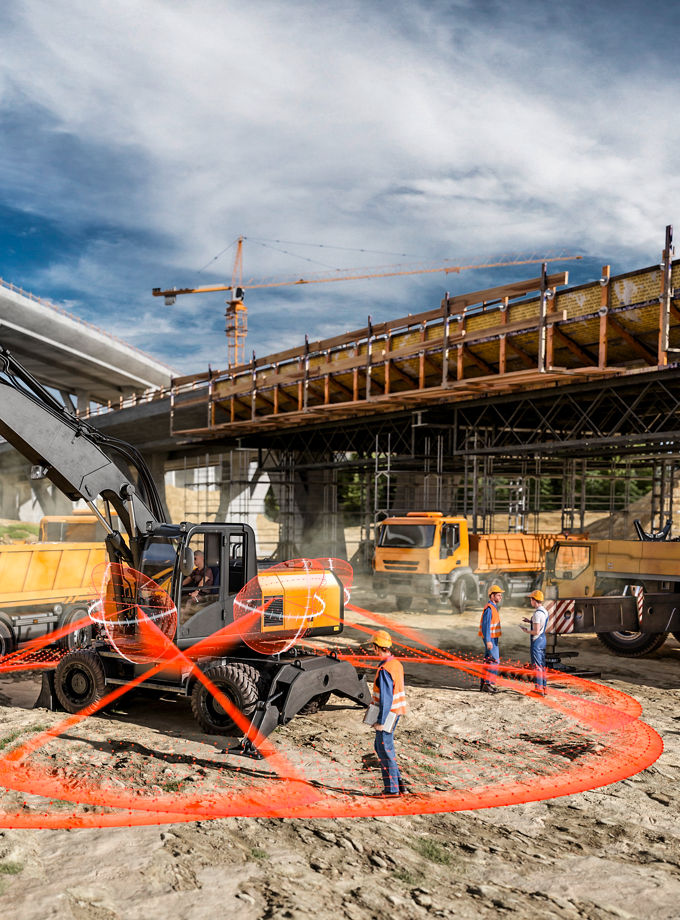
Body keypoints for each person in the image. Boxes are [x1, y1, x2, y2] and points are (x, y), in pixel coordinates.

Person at [370, 630, 407, 796]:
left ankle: (392, 790)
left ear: (378, 648)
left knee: (384, 750)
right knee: (381, 747)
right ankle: (399, 784)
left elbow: (386, 698)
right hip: (395, 712)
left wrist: (381, 721)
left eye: (373, 647)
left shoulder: (385, 669)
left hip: (388, 715)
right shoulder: (396, 664)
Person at [522, 589, 549, 695]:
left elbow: (536, 631)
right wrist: (530, 621)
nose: (530, 601)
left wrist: (526, 631)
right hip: (543, 640)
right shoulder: (544, 611)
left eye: (531, 599)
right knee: (542, 665)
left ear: (534, 600)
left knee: (537, 666)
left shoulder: (537, 614)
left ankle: (538, 689)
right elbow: (541, 625)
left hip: (537, 641)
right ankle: (544, 687)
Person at [479, 584, 503, 693]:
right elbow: (486, 626)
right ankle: (488, 684)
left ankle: (484, 684)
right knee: (494, 661)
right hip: (491, 639)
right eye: (498, 595)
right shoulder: (489, 609)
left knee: (488, 661)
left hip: (493, 639)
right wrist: (488, 640)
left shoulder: (493, 607)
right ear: (492, 596)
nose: (500, 597)